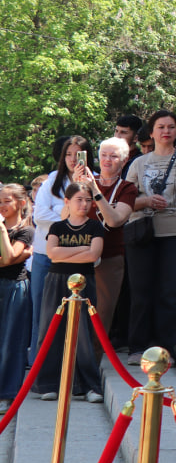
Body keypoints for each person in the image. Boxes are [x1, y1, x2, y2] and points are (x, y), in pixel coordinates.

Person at [125, 111, 176, 363]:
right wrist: (146, 200)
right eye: (160, 127)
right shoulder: (138, 163)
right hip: (143, 232)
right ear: (151, 132)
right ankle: (137, 346)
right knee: (141, 291)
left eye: (171, 127)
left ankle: (165, 347)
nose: (166, 131)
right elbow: (126, 201)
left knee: (170, 292)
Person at [35, 183, 104, 402]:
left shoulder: (95, 227)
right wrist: (81, 249)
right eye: (79, 199)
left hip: (84, 283)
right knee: (50, 329)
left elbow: (93, 256)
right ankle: (48, 383)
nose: (84, 204)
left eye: (87, 200)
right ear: (67, 201)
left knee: (83, 333)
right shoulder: (57, 227)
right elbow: (52, 254)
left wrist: (68, 253)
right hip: (56, 280)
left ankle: (87, 385)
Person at [31, 135, 89, 365]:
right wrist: (73, 216)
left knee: (76, 318)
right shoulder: (52, 180)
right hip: (46, 256)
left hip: (80, 259)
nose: (73, 159)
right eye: (68, 154)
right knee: (42, 316)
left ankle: (72, 372)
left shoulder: (92, 181)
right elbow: (39, 216)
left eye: (78, 154)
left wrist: (66, 216)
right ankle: (39, 371)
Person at [74, 138, 137, 347]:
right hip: (78, 256)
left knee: (101, 318)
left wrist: (96, 192)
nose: (107, 160)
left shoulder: (127, 188)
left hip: (109, 258)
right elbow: (66, 216)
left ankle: (91, 371)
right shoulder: (83, 183)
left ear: (125, 160)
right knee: (74, 317)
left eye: (114, 156)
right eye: (104, 155)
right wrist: (76, 188)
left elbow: (115, 220)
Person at [0, 184, 33, 411]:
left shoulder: (26, 231)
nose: (2, 206)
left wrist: (2, 230)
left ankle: (7, 393)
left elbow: (10, 257)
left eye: (6, 201)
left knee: (12, 341)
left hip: (15, 287)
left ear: (20, 203)